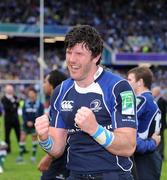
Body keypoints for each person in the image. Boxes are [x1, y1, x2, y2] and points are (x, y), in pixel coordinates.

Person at [35, 25, 137, 180]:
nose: (71, 60)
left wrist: (95, 129)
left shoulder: (120, 88)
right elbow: (57, 150)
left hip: (112, 174)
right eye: (69, 52)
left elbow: (128, 146)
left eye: (79, 54)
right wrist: (44, 139)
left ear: (95, 57)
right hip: (75, 174)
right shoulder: (61, 91)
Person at [127, 66, 162, 180]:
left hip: (143, 156)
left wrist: (151, 143)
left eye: (130, 80)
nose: (127, 83)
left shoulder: (141, 100)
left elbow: (127, 126)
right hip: (150, 155)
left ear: (140, 82)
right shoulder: (151, 100)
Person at [38, 69, 69, 180]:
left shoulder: (62, 105)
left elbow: (65, 135)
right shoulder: (55, 103)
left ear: (52, 85)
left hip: (63, 158)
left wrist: (49, 157)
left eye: (45, 82)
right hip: (58, 156)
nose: (43, 85)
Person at [17, 87, 44, 163]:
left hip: (34, 124)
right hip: (26, 124)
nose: (30, 94)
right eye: (29, 93)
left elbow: (40, 115)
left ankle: (33, 156)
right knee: (22, 138)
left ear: (35, 94)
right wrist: (26, 122)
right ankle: (20, 156)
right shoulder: (25, 103)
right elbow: (23, 114)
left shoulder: (40, 104)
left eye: (32, 93)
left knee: (34, 139)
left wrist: (33, 122)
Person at [1, 84, 21, 153]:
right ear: (6, 90)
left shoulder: (15, 97)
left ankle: (21, 148)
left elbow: (17, 105)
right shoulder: (3, 98)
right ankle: (8, 149)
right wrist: (13, 104)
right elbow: (7, 108)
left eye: (11, 89)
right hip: (8, 120)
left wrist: (13, 104)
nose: (10, 91)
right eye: (9, 89)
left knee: (18, 134)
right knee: (7, 135)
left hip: (15, 119)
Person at [152, 86, 167, 160]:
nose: (152, 93)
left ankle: (160, 154)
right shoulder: (156, 100)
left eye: (154, 92)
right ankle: (158, 153)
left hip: (161, 124)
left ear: (157, 92)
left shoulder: (161, 101)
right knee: (158, 138)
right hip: (158, 124)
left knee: (160, 139)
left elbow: (162, 113)